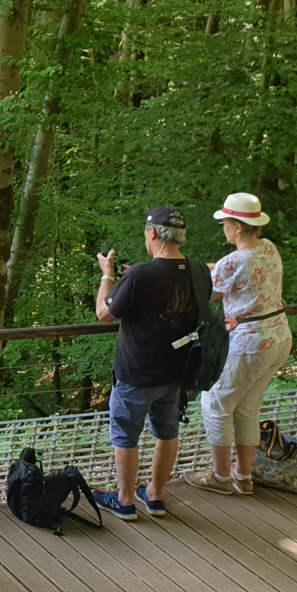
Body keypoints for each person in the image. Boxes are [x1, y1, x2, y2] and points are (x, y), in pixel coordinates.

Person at [91, 205, 197, 520]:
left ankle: (125, 501)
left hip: (136, 373)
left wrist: (107, 276)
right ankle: (155, 495)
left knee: (125, 436)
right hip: (177, 370)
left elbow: (104, 313)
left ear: (152, 233)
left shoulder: (141, 274)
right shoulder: (197, 270)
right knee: (167, 431)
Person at [184, 194, 293, 496]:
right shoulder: (268, 248)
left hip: (250, 342)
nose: (223, 228)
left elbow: (208, 297)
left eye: (225, 223)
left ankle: (220, 477)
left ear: (237, 227)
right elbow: (227, 270)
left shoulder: (232, 261)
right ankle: (242, 477)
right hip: (279, 337)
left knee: (214, 401)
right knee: (247, 406)